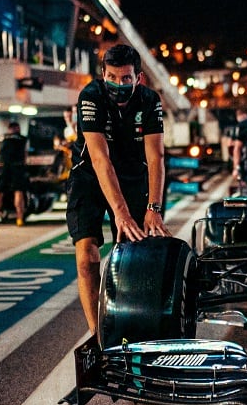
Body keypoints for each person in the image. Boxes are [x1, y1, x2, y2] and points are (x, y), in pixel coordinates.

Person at [66, 43, 171, 335]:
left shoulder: (151, 100)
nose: (119, 84)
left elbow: (156, 157)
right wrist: (121, 213)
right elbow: (100, 160)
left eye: (126, 78)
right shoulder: (90, 96)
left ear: (138, 77)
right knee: (87, 257)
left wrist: (154, 209)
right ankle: (98, 338)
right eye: (112, 77)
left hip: (132, 176)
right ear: (103, 74)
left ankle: (127, 327)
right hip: (89, 175)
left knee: (131, 259)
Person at [0, 121, 28, 227]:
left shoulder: (1, 137)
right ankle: (19, 219)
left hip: (1, 166)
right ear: (17, 128)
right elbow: (25, 154)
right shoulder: (23, 138)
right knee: (18, 191)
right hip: (17, 166)